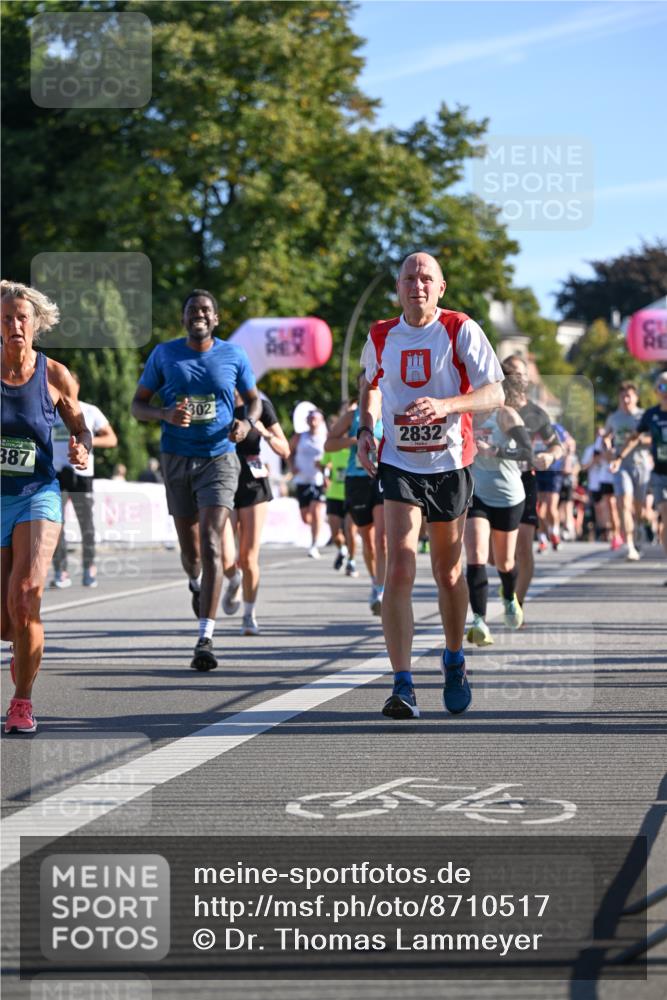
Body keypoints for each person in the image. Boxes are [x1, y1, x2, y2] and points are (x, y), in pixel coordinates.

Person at [357, 252, 504, 719]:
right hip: (399, 463)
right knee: (398, 566)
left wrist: (447, 405)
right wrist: (366, 428)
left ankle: (454, 657)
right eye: (408, 278)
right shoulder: (381, 334)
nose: (416, 285)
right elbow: (369, 381)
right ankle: (402, 685)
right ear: (398, 288)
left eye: (426, 278)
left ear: (441, 287)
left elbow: (495, 392)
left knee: (448, 572)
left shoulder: (460, 329)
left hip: (449, 463)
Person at [131, 289, 261, 671]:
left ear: (216, 319)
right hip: (176, 458)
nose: (199, 315)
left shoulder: (234, 355)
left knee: (211, 542)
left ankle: (205, 638)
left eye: (205, 309)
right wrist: (164, 414)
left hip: (219, 458)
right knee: (191, 555)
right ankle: (194, 582)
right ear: (184, 318)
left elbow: (252, 399)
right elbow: (138, 405)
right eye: (192, 310)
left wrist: (246, 422)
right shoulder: (164, 354)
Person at [1, 280, 91, 733]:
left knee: (27, 596)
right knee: (5, 623)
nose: (15, 325)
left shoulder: (55, 374)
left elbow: (81, 427)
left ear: (35, 324)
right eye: (8, 318)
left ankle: (21, 702)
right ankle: (20, 651)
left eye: (23, 317)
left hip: (38, 493)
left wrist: (82, 447)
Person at [221, 390, 290, 635]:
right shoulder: (218, 403)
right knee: (226, 557)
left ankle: (249, 615)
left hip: (252, 483)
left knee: (249, 557)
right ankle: (234, 579)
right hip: (222, 479)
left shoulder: (260, 406)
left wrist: (266, 433)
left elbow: (285, 450)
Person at [500, 357, 563, 607]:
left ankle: (516, 604)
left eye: (520, 374)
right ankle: (507, 582)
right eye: (509, 373)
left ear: (527, 380)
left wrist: (550, 455)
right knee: (497, 557)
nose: (515, 379)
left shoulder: (536, 413)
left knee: (524, 548)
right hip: (491, 481)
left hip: (524, 480)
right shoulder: (490, 407)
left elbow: (556, 445)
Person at [464, 404, 529, 646]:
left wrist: (495, 450)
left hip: (508, 496)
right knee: (476, 555)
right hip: (476, 493)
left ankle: (509, 595)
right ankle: (479, 620)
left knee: (505, 562)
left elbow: (526, 451)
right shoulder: (463, 412)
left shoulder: (505, 415)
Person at [50, 372, 118, 588]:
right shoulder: (50, 411)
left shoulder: (89, 411)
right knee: (54, 525)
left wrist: (86, 443)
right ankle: (60, 571)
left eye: (67, 384)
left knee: (86, 524)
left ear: (76, 386)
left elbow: (112, 439)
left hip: (81, 474)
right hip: (57, 473)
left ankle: (89, 568)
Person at [325, 390, 386, 613]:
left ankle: (382, 589)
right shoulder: (352, 417)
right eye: (365, 385)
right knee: (368, 540)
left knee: (382, 539)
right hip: (357, 480)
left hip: (381, 477)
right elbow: (328, 445)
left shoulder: (390, 410)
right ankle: (375, 581)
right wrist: (354, 439)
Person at [611, 371, 667, 581]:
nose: (666, 391)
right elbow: (634, 438)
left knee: (644, 510)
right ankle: (634, 546)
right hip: (659, 473)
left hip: (643, 467)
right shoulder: (650, 415)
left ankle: (642, 527)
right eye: (662, 387)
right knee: (664, 517)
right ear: (656, 391)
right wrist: (618, 457)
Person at [605, 382, 652, 561]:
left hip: (641, 465)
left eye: (629, 396)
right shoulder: (614, 418)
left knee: (638, 507)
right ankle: (630, 545)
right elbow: (606, 437)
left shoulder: (643, 416)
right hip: (621, 464)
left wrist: (637, 441)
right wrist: (608, 447)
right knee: (624, 502)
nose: (625, 400)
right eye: (622, 396)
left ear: (636, 397)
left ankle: (639, 526)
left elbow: (653, 438)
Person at [289, 408, 327, 558]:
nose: (313, 421)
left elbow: (331, 458)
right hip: (302, 480)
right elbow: (289, 451)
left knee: (316, 512)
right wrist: (292, 466)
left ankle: (314, 544)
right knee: (306, 517)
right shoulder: (300, 437)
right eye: (310, 418)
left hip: (318, 480)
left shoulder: (325, 437)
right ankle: (316, 528)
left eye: (315, 418)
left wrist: (325, 468)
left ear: (321, 421)